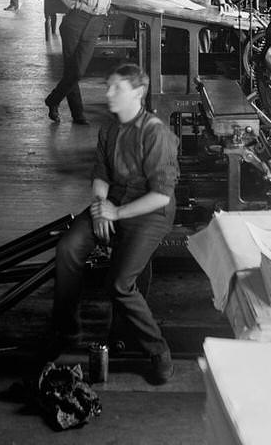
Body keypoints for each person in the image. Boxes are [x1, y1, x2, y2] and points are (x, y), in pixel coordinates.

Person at [45, 64, 179, 386]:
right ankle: (67, 330)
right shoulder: (109, 128)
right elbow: (101, 173)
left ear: (137, 93)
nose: (107, 94)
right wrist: (99, 208)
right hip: (112, 204)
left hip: (149, 213)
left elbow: (161, 196)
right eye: (108, 87)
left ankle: (158, 352)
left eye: (115, 88)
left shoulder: (155, 132)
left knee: (119, 284)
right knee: (68, 248)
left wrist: (115, 215)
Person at [44, 0, 116, 125]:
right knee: (72, 70)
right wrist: (68, 3)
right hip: (75, 22)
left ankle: (53, 100)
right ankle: (78, 115)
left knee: (78, 70)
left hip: (95, 24)